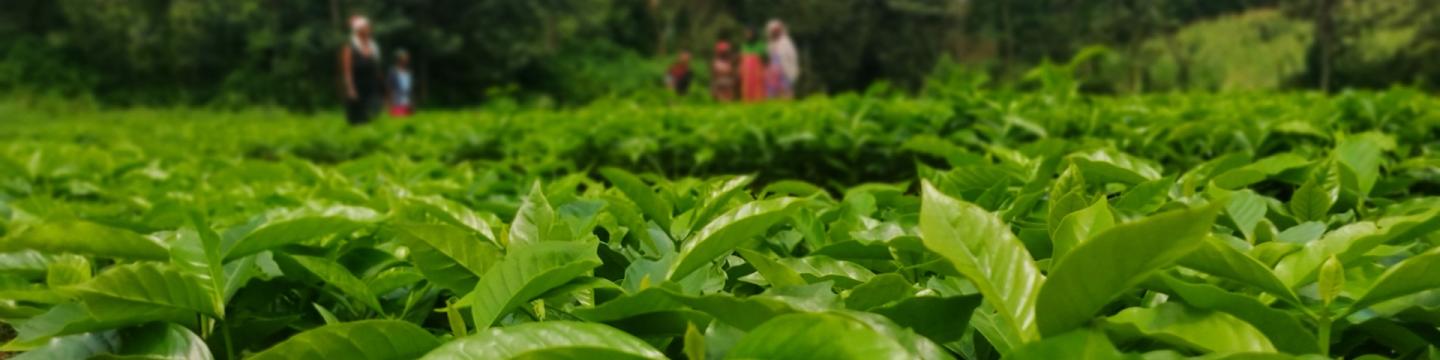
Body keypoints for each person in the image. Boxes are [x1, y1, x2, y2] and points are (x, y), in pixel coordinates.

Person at [340, 15, 385, 125]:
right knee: (358, 120)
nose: (369, 29)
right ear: (359, 30)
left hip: (372, 88)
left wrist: (382, 88)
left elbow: (377, 69)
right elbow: (347, 72)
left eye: (369, 27)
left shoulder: (374, 47)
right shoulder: (349, 48)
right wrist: (351, 89)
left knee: (374, 116)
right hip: (358, 88)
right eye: (366, 27)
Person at [765, 19, 800, 99]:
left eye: (777, 30)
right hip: (773, 72)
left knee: (786, 93)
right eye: (773, 31)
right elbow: (769, 57)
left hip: (785, 70)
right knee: (773, 94)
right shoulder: (770, 44)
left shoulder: (786, 42)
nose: (775, 32)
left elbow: (792, 58)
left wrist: (792, 71)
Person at [739, 28, 767, 102]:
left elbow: (765, 60)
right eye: (746, 34)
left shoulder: (760, 45)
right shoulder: (744, 45)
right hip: (746, 77)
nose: (748, 35)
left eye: (749, 33)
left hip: (757, 76)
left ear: (754, 34)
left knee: (758, 95)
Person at [389, 49, 414, 117]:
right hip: (397, 102)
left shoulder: (408, 72)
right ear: (399, 59)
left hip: (407, 102)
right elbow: (390, 88)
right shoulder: (393, 72)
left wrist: (412, 102)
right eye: (404, 58)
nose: (406, 60)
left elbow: (410, 89)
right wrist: (390, 104)